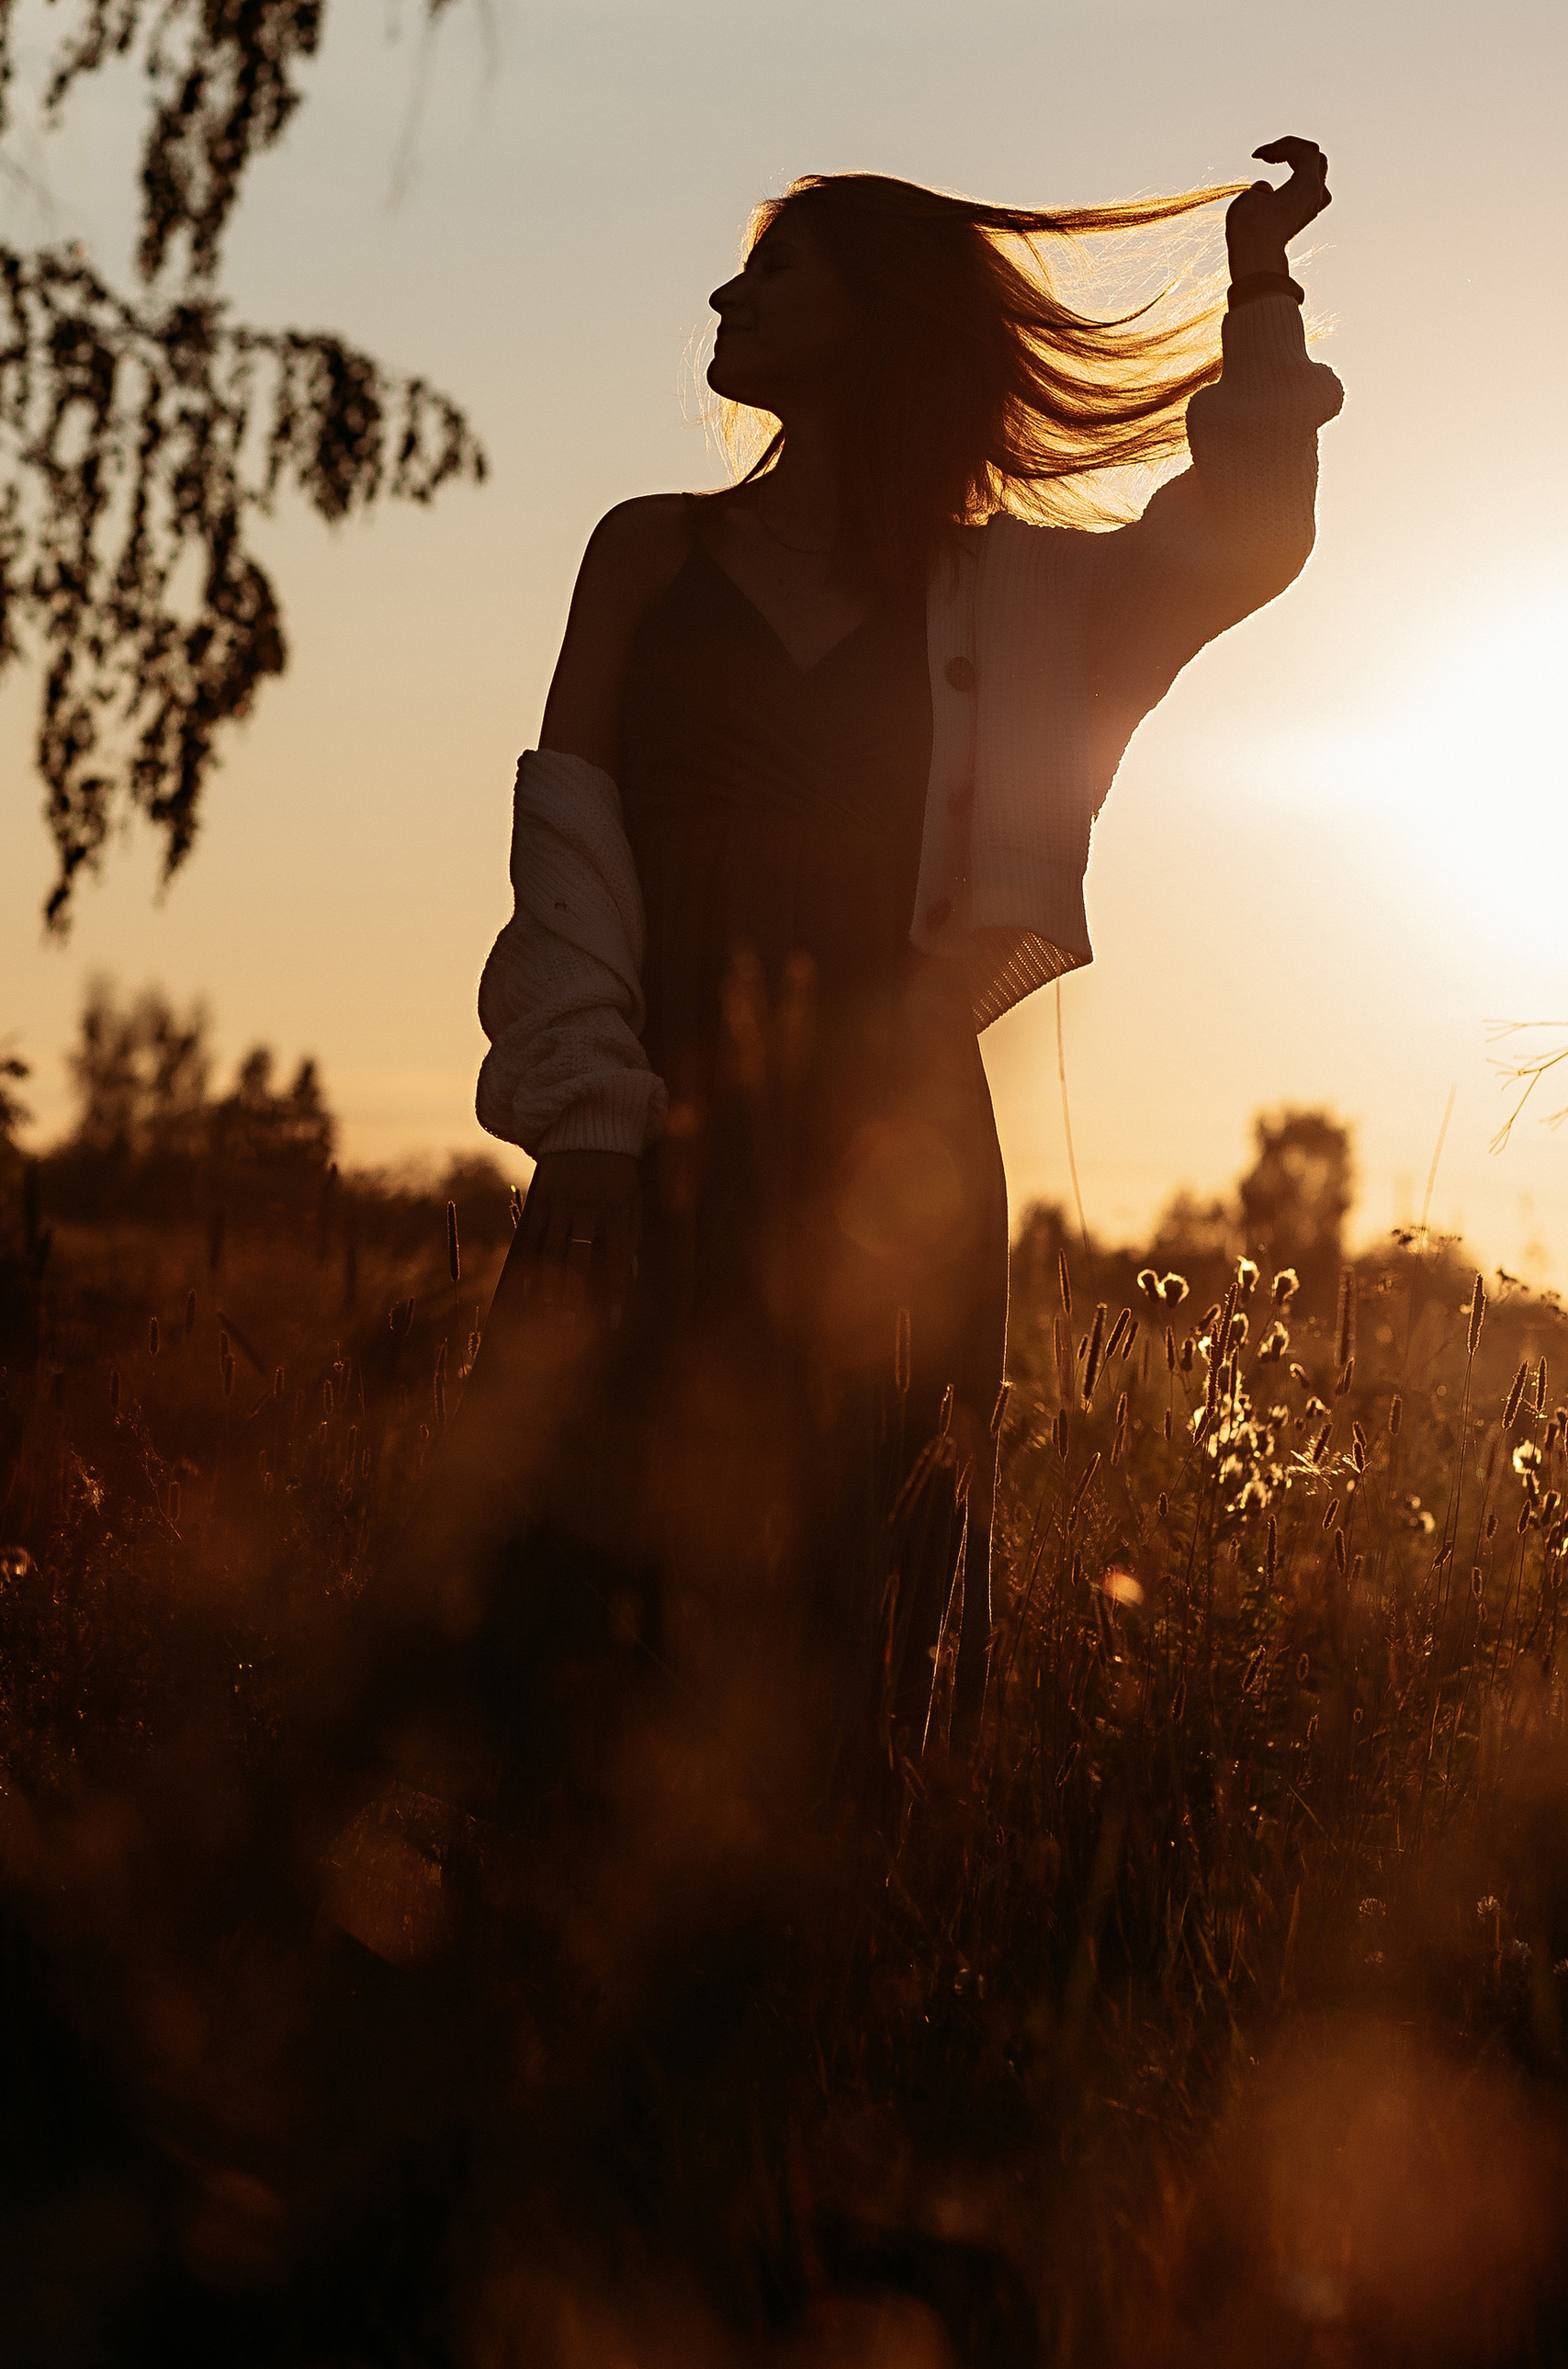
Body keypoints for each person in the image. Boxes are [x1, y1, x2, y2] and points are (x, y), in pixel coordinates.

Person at [473, 140, 1342, 1789]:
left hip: (892, 1137)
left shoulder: (1015, 597)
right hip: (652, 1107)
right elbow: (569, 833)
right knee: (587, 1554)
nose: (728, 296)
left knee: (856, 1571)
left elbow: (1244, 542)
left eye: (778, 270)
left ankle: (830, 1968)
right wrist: (588, 1104)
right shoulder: (650, 550)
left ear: (881, 320)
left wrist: (1263, 287)